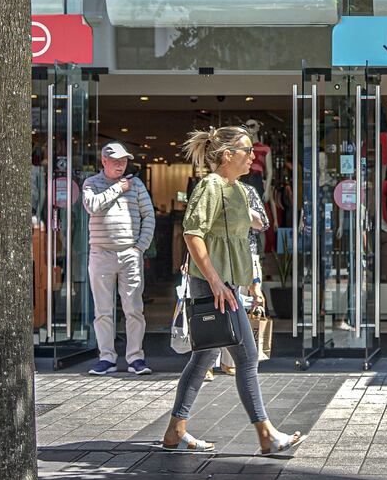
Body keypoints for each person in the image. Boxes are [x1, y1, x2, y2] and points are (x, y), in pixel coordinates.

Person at [162, 126, 302, 453]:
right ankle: (266, 434)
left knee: (203, 358)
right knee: (248, 357)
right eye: (247, 151)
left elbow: (245, 242)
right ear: (228, 155)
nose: (253, 157)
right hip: (214, 286)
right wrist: (213, 281)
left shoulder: (237, 189)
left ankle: (174, 431)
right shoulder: (209, 186)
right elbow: (193, 234)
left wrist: (252, 283)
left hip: (228, 286)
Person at [83, 142, 155, 377]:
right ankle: (107, 357)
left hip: (129, 253)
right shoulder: (91, 183)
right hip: (101, 253)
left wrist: (139, 248)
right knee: (103, 310)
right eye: (116, 161)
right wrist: (118, 189)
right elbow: (92, 206)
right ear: (103, 160)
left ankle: (135, 358)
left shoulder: (136, 185)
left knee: (134, 308)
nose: (121, 165)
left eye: (124, 161)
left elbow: (149, 216)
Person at [212, 180, 269, 379]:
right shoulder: (211, 188)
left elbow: (262, 223)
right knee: (214, 308)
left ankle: (231, 362)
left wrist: (241, 207)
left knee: (239, 308)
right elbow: (197, 229)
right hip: (217, 255)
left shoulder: (249, 191)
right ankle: (208, 363)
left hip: (245, 255)